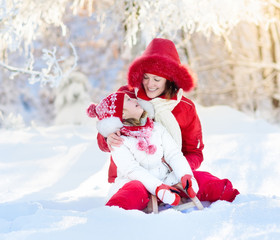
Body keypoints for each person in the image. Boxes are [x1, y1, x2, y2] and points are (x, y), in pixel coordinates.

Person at [97, 38, 239, 203]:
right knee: (131, 194)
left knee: (209, 182)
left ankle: (239, 204)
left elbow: (195, 152)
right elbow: (104, 130)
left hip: (170, 174)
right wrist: (108, 137)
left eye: (157, 79)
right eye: (146, 77)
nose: (150, 84)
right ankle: (109, 219)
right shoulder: (127, 98)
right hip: (133, 177)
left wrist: (179, 171)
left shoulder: (185, 108)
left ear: (169, 80)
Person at [88, 91, 199, 209]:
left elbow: (174, 154)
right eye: (128, 100)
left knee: (200, 178)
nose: (135, 99)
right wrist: (157, 187)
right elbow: (131, 169)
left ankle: (220, 190)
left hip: (164, 178)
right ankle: (109, 214)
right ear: (122, 114)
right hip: (138, 183)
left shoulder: (156, 128)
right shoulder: (119, 140)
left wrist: (185, 174)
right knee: (132, 192)